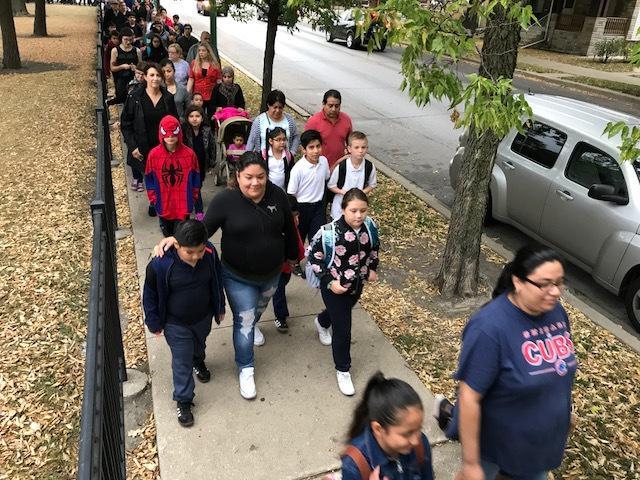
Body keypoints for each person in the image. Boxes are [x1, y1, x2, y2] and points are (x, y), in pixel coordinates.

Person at [155, 152, 299, 400]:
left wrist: (292, 256)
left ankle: (253, 328)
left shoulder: (278, 196)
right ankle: (246, 366)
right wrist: (176, 239)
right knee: (244, 320)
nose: (255, 183)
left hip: (272, 274)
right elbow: (203, 230)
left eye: (261, 177)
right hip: (237, 276)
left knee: (256, 312)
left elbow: (288, 228)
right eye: (249, 177)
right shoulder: (225, 200)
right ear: (238, 176)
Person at [435, 244, 577, 480]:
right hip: (495, 444)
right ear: (518, 282)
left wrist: (564, 410)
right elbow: (469, 397)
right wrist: (471, 463)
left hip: (536, 447)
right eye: (544, 284)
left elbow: (559, 368)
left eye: (559, 282)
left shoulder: (556, 313)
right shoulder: (489, 328)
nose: (555, 292)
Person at [143, 219, 225, 427]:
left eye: (200, 250)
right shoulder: (161, 264)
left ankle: (198, 360)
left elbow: (217, 279)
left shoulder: (209, 253)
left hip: (203, 317)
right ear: (177, 245)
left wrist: (220, 307)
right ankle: (184, 400)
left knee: (199, 345)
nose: (196, 256)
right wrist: (153, 322)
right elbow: (150, 294)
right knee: (181, 361)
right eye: (190, 252)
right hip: (175, 323)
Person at [308, 188, 379, 395]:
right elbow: (314, 257)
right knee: (343, 328)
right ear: (343, 209)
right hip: (334, 288)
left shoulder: (370, 227)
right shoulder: (329, 232)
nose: (359, 215)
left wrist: (373, 268)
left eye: (363, 210)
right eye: (353, 210)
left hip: (357, 285)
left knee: (340, 313)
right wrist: (330, 282)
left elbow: (374, 248)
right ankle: (343, 369)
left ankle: (321, 322)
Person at [341, 372, 434, 480]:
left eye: (419, 429)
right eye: (407, 434)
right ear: (378, 429)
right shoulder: (355, 465)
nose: (415, 441)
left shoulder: (420, 445)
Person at [120, 62, 178, 204]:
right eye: (152, 75)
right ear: (145, 77)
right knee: (150, 177)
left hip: (164, 146)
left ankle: (163, 204)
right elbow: (126, 124)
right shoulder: (135, 97)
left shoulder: (168, 98)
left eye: (158, 75)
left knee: (164, 178)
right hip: (143, 147)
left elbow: (174, 122)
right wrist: (133, 146)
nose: (155, 78)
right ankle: (154, 202)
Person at [145, 115, 201, 237]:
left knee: (181, 237)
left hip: (183, 206)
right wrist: (154, 199)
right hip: (163, 205)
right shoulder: (154, 155)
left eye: (173, 134)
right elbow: (149, 178)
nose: (170, 137)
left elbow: (196, 178)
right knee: (167, 237)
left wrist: (193, 197)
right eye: (167, 134)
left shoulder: (189, 154)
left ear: (179, 133)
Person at [287, 129, 330, 244]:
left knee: (317, 239)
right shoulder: (298, 169)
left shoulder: (324, 161)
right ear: (303, 149)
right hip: (302, 208)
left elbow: (326, 178)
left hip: (319, 207)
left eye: (318, 146)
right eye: (311, 147)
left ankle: (314, 255)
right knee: (299, 239)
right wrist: (294, 212)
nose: (316, 151)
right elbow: (291, 193)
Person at [271, 197, 304, 333]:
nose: (294, 220)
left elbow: (298, 244)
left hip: (287, 265)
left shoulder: (294, 227)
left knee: (284, 281)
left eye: (296, 216)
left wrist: (296, 258)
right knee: (278, 289)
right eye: (291, 217)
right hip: (276, 265)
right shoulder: (274, 227)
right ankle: (281, 317)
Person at [327, 131, 377, 221]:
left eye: (363, 147)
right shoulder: (342, 166)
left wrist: (361, 193)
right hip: (340, 206)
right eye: (356, 147)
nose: (360, 151)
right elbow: (331, 185)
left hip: (358, 208)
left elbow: (372, 184)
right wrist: (344, 192)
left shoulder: (369, 166)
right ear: (349, 149)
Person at [182, 105, 216, 220]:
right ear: (187, 118)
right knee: (192, 186)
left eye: (197, 116)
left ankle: (193, 201)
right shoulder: (184, 131)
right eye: (191, 116)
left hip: (201, 163)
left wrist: (211, 163)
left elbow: (212, 147)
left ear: (202, 118)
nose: (194, 119)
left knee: (198, 185)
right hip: (187, 165)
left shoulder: (207, 130)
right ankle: (199, 210)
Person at [304, 89, 352, 170]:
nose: (333, 109)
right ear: (323, 104)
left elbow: (351, 143)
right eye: (330, 106)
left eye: (337, 106)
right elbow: (306, 146)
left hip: (340, 167)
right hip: (319, 168)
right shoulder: (313, 122)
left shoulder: (346, 120)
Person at [246, 89, 299, 157]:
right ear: (268, 105)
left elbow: (296, 136)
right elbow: (251, 141)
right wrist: (247, 158)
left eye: (280, 108)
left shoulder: (289, 120)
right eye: (275, 107)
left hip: (285, 160)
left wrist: (292, 152)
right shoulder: (259, 121)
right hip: (263, 161)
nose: (277, 110)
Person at [108, 28, 142, 105]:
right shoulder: (115, 51)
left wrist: (136, 68)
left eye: (130, 40)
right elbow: (112, 68)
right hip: (120, 79)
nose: (128, 42)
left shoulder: (137, 51)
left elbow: (141, 67)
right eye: (126, 39)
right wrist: (122, 67)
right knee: (121, 98)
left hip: (133, 79)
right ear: (121, 39)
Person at [187, 42, 221, 118]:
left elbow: (218, 80)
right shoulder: (194, 63)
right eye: (199, 50)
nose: (201, 52)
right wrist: (187, 92)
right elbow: (191, 78)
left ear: (208, 52)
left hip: (211, 94)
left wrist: (219, 96)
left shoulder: (215, 64)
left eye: (203, 50)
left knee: (211, 116)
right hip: (198, 95)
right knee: (198, 115)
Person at [264, 127, 292, 192]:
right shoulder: (264, 155)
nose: (282, 142)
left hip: (283, 191)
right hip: (268, 191)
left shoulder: (288, 155)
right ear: (271, 141)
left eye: (284, 139)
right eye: (278, 140)